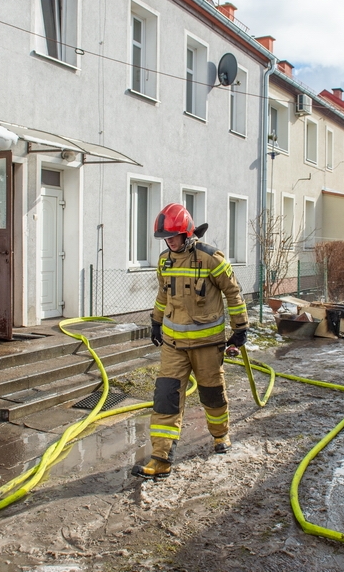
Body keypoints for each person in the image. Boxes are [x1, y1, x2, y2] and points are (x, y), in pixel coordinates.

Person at [131, 203, 249, 480]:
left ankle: (221, 436)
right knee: (165, 399)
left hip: (207, 345)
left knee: (212, 394)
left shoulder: (212, 259)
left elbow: (233, 294)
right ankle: (161, 460)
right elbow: (163, 295)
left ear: (187, 233)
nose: (169, 242)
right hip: (173, 346)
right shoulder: (164, 261)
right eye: (164, 238)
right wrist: (156, 322)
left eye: (172, 236)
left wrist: (240, 328)